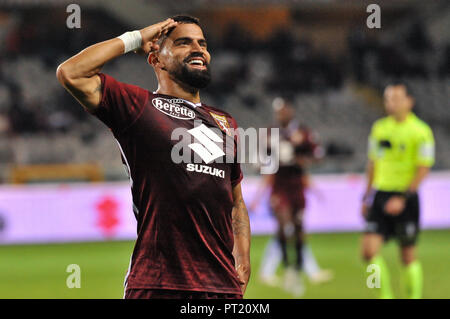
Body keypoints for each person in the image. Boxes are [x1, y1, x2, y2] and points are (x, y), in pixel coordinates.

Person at [56, 15, 251, 299]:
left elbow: (236, 201)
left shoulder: (225, 122)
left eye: (202, 43)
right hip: (159, 284)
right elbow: (71, 72)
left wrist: (243, 256)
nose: (198, 49)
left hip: (221, 288)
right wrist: (136, 37)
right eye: (184, 43)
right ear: (156, 59)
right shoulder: (138, 106)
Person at [251, 97, 331, 296]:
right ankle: (289, 269)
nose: (280, 114)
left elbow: (319, 156)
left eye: (283, 110)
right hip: (279, 189)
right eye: (277, 111)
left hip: (297, 189)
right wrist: (261, 163)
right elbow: (259, 160)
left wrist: (301, 159)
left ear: (291, 110)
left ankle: (297, 268)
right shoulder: (270, 133)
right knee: (285, 226)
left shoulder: (303, 133)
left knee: (298, 229)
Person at [361, 83, 435, 299]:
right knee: (368, 252)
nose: (390, 103)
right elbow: (372, 163)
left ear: (409, 101)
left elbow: (423, 167)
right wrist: (366, 196)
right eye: (387, 99)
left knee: (408, 256)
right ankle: (385, 296)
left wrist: (403, 197)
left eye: (395, 98)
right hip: (381, 194)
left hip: (406, 196)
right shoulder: (379, 128)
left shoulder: (421, 131)